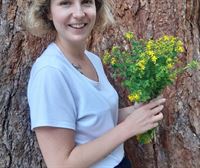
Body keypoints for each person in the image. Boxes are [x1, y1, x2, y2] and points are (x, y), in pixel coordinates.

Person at [26, 0, 166, 167]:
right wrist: (129, 127)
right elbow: (60, 163)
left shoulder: (92, 59)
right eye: (65, 3)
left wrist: (135, 112)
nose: (78, 13)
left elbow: (95, 123)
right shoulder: (50, 72)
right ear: (48, 12)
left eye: (86, 2)